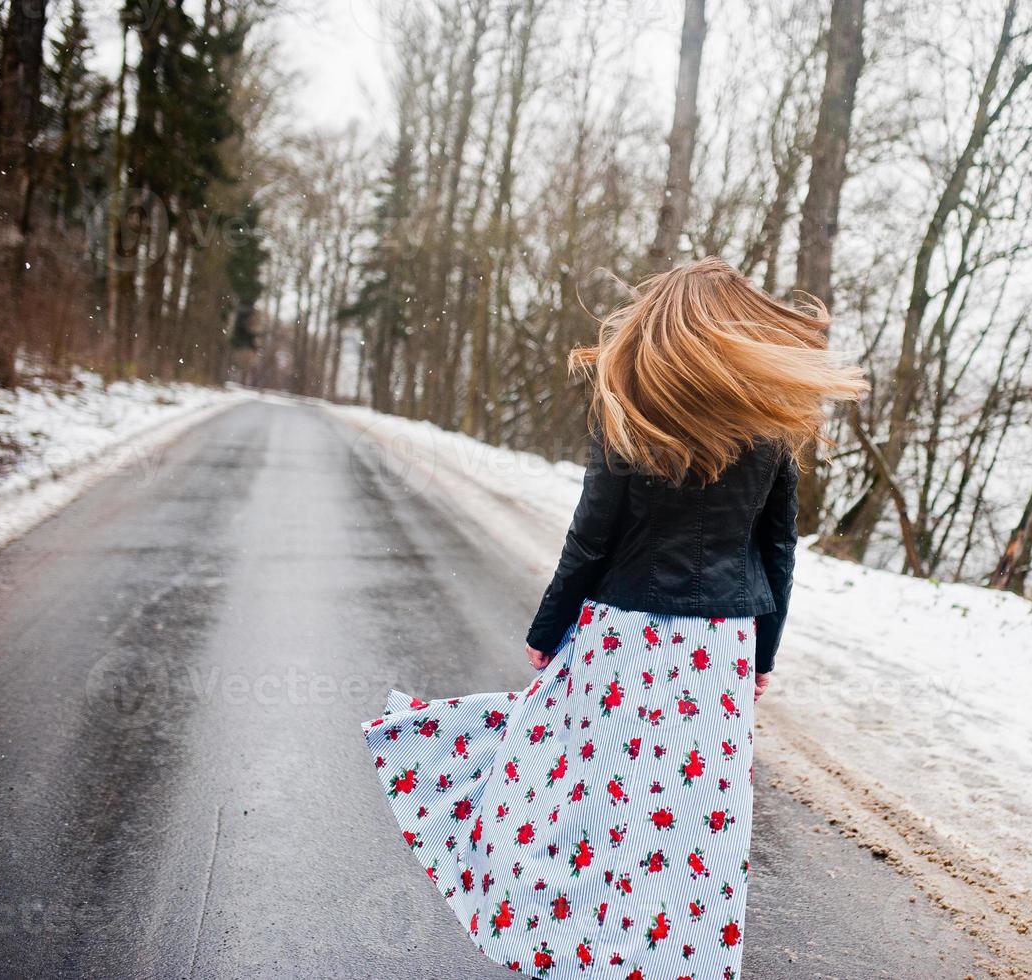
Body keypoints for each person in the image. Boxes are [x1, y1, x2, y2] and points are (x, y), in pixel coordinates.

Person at [363, 256, 866, 978]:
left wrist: (547, 629)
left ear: (662, 325)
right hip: (718, 647)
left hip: (624, 635)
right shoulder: (768, 424)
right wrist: (761, 655)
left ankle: (577, 941)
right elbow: (777, 550)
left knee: (595, 797)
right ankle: (678, 958)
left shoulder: (629, 406)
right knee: (695, 818)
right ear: (740, 327)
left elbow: (590, 534)